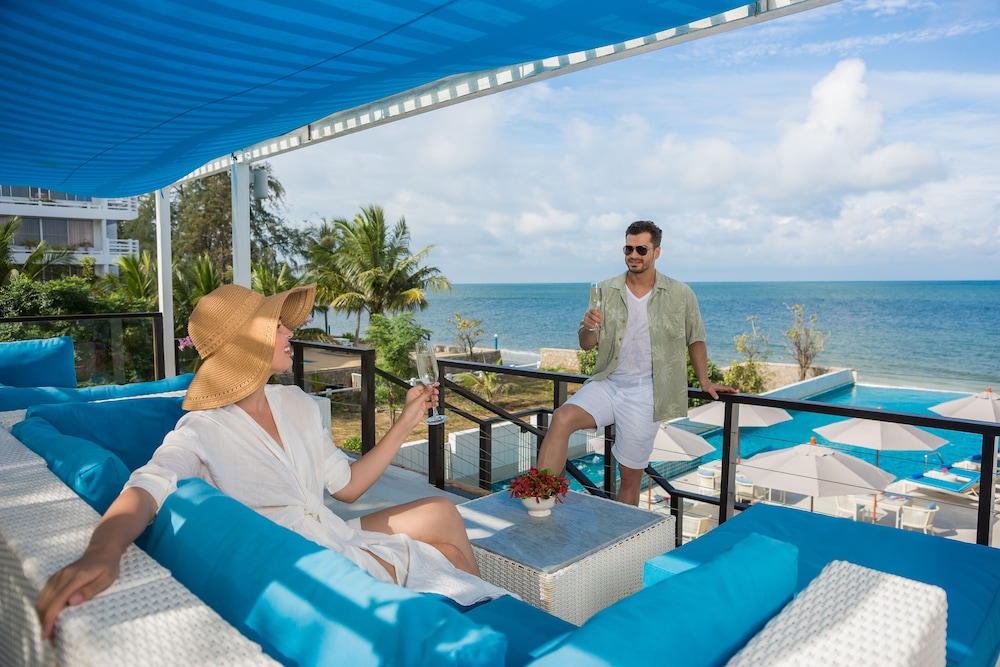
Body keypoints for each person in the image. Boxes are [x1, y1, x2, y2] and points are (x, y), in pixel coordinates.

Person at [36, 283, 507, 639]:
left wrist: (406, 419)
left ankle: (484, 624)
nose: (290, 332)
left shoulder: (295, 402)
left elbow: (346, 488)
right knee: (446, 562)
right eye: (277, 326)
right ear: (248, 341)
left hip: (330, 527)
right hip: (303, 556)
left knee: (441, 511)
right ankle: (475, 631)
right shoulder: (203, 430)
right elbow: (146, 487)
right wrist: (102, 551)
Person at [536, 221, 736, 505]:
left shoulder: (680, 293)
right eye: (628, 249)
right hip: (608, 382)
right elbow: (586, 343)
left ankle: (621, 531)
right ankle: (542, 501)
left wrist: (704, 381)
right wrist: (589, 327)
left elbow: (696, 339)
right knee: (562, 418)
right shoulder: (606, 289)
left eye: (641, 249)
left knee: (629, 477)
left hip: (648, 393)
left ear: (657, 252)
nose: (633, 255)